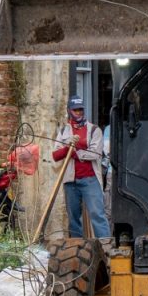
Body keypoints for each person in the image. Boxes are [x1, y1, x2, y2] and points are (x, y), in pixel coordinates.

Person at [53, 97, 110, 240]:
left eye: (81, 109)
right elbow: (55, 155)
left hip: (90, 179)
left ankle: (106, 248)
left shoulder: (94, 130)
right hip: (70, 180)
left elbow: (95, 154)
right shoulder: (64, 131)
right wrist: (67, 147)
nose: (78, 112)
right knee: (73, 219)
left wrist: (73, 151)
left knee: (97, 214)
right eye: (75, 110)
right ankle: (76, 251)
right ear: (69, 111)